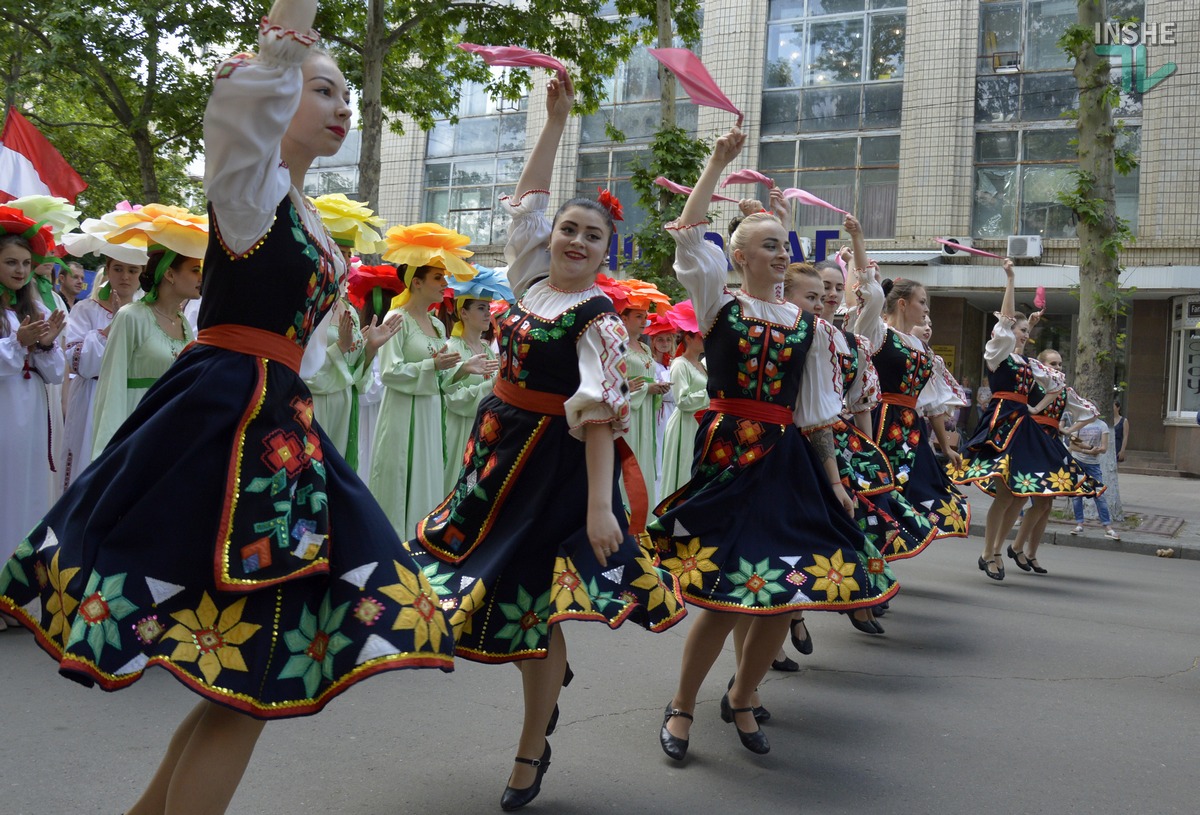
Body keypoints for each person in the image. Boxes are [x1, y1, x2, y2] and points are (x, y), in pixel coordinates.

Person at [0, 6, 456, 813]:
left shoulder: (317, 228)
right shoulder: (250, 190)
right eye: (323, 88)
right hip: (225, 425)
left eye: (347, 93)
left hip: (278, 434)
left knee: (243, 679)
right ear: (277, 97)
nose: (341, 105)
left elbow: (307, 355)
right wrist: (289, 32)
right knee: (250, 681)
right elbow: (253, 100)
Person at [409, 72, 684, 811]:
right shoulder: (528, 279)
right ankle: (542, 689)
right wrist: (556, 121)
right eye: (570, 228)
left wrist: (602, 507)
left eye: (592, 235)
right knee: (468, 581)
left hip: (552, 468)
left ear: (605, 253)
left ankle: (531, 749)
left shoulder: (597, 318)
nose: (575, 239)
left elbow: (597, 414)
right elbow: (528, 202)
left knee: (535, 610)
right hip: (495, 452)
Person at [654, 126, 893, 762]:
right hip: (731, 453)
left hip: (786, 460)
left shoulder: (810, 328)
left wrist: (838, 482)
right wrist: (716, 162)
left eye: (784, 245)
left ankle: (742, 695)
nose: (781, 254)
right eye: (768, 246)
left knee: (780, 593)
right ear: (740, 258)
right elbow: (687, 239)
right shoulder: (718, 304)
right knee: (726, 596)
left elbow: (816, 415)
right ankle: (681, 704)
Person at [950, 261, 1096, 579]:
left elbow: (1057, 385)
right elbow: (1004, 322)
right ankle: (990, 552)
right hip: (1002, 422)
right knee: (1006, 494)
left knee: (1016, 494)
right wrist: (1011, 280)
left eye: (1028, 332)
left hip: (1022, 425)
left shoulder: (1029, 363)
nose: (1027, 336)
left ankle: (997, 551)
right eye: (1023, 331)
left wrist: (1035, 409)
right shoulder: (998, 353)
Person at [368, 222, 489, 536]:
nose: (444, 283)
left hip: (432, 415)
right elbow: (391, 372)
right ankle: (395, 543)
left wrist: (463, 369)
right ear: (416, 282)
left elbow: (444, 379)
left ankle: (422, 539)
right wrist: (430, 366)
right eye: (438, 277)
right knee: (400, 477)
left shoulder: (437, 325)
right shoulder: (396, 318)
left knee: (427, 477)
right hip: (403, 415)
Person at [856, 276, 970, 559]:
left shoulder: (922, 350)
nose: (926, 311)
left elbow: (931, 405)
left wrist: (944, 446)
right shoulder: (880, 334)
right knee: (874, 490)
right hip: (879, 419)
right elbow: (867, 303)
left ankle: (879, 561)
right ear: (904, 304)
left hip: (909, 428)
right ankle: (870, 563)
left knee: (909, 491)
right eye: (923, 303)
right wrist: (857, 239)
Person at [90, 210, 208, 457]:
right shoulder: (131, 317)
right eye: (195, 269)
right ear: (169, 273)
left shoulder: (184, 322)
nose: (201, 277)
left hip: (172, 433)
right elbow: (111, 390)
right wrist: (108, 456)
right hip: (137, 433)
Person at [0, 209, 66, 576]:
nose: (21, 270)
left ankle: (15, 590)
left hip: (31, 422)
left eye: (26, 263)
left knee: (26, 498)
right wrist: (16, 343)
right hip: (4, 414)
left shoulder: (35, 307)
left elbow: (55, 375)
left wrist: (44, 346)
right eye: (11, 262)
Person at [58, 232, 146, 490]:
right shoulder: (86, 310)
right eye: (118, 268)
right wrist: (113, 327)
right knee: (87, 467)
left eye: (133, 270)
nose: (125, 276)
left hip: (131, 396)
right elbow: (79, 363)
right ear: (107, 270)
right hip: (91, 398)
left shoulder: (147, 312)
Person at [1006, 348, 1100, 574]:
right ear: (1041, 365)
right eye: (1052, 364)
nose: (1057, 368)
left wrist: (1068, 430)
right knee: (1041, 503)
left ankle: (1030, 553)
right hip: (1031, 443)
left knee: (1047, 505)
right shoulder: (1032, 384)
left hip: (1051, 446)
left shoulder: (1064, 391)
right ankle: (1016, 546)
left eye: (1059, 364)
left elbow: (1091, 413)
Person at [441, 265, 508, 493]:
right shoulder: (452, 348)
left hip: (483, 428)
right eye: (481, 308)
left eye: (488, 307)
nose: (488, 313)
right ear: (464, 313)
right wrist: (489, 385)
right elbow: (451, 398)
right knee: (455, 482)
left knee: (477, 484)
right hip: (460, 430)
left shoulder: (487, 350)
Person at [656, 300, 707, 501]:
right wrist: (711, 394)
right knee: (685, 469)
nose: (704, 340)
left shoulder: (702, 364)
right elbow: (683, 401)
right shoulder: (679, 364)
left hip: (699, 423)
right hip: (685, 424)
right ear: (689, 338)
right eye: (700, 336)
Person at [1069, 415, 1119, 539]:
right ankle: (1079, 524)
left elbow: (1104, 448)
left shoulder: (1102, 425)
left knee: (1099, 495)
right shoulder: (1078, 423)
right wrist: (1088, 451)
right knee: (1077, 496)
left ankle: (1107, 527)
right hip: (1078, 462)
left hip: (1093, 465)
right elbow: (1072, 445)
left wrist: (1098, 450)